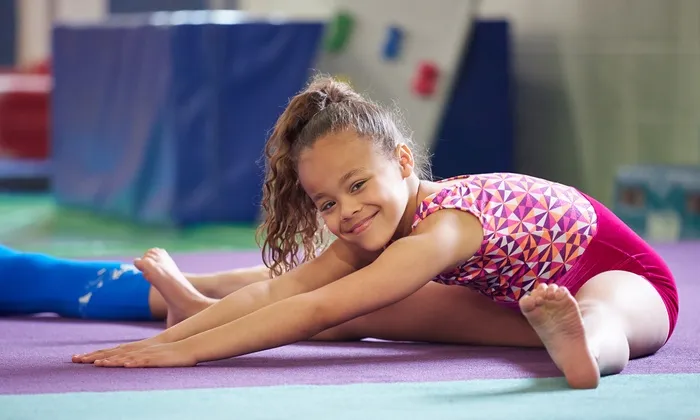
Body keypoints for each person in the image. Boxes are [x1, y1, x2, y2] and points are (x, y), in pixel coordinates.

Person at [65, 75, 677, 389]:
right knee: (354, 304)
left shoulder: (445, 229)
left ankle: (583, 353)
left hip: (618, 274)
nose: (347, 212)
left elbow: (319, 308)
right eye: (327, 202)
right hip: (521, 298)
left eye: (359, 186)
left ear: (405, 164)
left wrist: (186, 352)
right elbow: (282, 292)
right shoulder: (377, 229)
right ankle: (556, 332)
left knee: (605, 315)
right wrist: (178, 340)